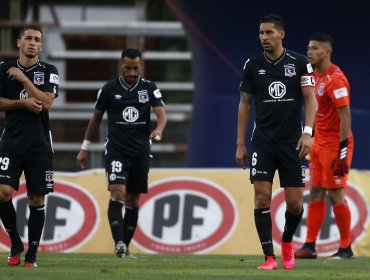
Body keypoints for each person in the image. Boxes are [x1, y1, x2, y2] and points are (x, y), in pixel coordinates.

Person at [236, 14, 316, 270]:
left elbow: (310, 99)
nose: (264, 38)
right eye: (261, 33)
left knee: (295, 203)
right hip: (263, 142)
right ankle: (269, 257)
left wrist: (307, 132)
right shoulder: (252, 64)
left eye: (269, 33)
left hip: (293, 143)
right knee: (262, 197)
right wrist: (240, 143)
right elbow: (245, 104)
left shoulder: (300, 63)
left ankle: (288, 242)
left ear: (282, 34)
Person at [77, 48, 167, 259]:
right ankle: (118, 241)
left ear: (141, 66)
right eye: (128, 68)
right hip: (117, 150)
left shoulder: (149, 88)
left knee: (133, 201)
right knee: (117, 192)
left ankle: (124, 248)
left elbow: (162, 115)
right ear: (121, 65)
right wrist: (84, 147)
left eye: (136, 68)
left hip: (141, 152)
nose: (132, 72)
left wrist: (158, 129)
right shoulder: (108, 89)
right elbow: (95, 119)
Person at [0, 24, 59, 267]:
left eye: (37, 39)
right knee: (2, 192)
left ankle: (31, 256)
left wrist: (24, 79)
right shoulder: (3, 69)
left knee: (36, 199)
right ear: (19, 43)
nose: (32, 42)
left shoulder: (49, 70)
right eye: (28, 38)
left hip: (40, 145)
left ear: (42, 46)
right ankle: (15, 242)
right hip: (11, 143)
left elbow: (46, 102)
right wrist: (22, 104)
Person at [295, 33, 354, 260]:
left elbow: (345, 115)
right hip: (319, 144)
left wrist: (342, 153)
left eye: (315, 48)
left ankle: (346, 249)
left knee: (336, 194)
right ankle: (310, 246)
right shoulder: (315, 76)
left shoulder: (335, 79)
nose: (309, 52)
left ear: (327, 52)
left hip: (335, 144)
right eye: (308, 48)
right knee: (317, 191)